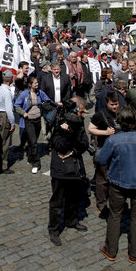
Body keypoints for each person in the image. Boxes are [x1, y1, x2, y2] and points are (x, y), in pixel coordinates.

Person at [98, 106, 136, 262]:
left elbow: (101, 159)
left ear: (119, 122)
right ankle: (134, 254)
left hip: (118, 184)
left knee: (115, 216)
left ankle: (110, 250)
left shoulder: (113, 140)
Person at [47, 97, 90, 247]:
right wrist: (68, 134)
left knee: (73, 197)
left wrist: (74, 151)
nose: (83, 114)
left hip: (74, 166)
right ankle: (54, 229)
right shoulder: (59, 123)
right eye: (81, 111)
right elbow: (59, 145)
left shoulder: (79, 123)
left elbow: (85, 143)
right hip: (60, 168)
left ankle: (72, 221)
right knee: (57, 200)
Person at [88, 91, 120, 217]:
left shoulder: (121, 112)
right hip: (104, 148)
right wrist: (105, 133)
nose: (114, 107)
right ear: (107, 103)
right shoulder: (100, 115)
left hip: (118, 151)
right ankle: (101, 203)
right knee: (102, 178)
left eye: (116, 104)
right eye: (112, 104)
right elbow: (90, 129)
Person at [14, 75, 51, 174]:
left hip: (38, 120)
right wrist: (23, 113)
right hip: (29, 121)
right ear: (30, 84)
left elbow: (47, 100)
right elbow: (16, 106)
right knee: (34, 142)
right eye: (35, 83)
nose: (37, 84)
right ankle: (36, 163)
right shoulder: (24, 94)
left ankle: (30, 157)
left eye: (37, 83)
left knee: (32, 142)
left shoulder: (40, 93)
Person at [0, 70, 16, 174]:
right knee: (5, 142)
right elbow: (9, 109)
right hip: (4, 116)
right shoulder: (7, 91)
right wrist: (12, 122)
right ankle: (3, 165)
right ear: (10, 79)